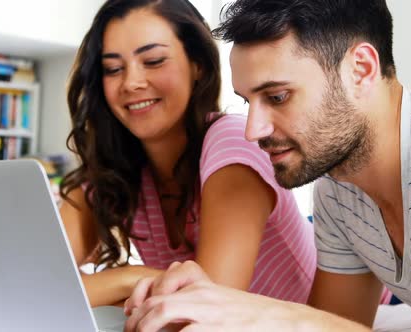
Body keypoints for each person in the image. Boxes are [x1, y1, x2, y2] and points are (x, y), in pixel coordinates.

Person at [123, 0, 411, 331]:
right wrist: (227, 309)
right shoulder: (338, 185)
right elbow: (336, 324)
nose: (253, 130)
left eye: (278, 97)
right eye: (249, 102)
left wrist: (267, 313)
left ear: (361, 70)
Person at [59, 0, 318, 308]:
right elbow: (36, 285)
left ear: (199, 65)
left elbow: (206, 308)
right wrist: (136, 279)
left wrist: (131, 282)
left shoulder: (233, 142)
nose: (131, 83)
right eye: (113, 69)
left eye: (154, 61)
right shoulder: (117, 170)